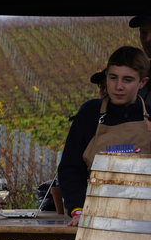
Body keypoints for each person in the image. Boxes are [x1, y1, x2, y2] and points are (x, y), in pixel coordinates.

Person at [58, 45, 150, 226]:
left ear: (142, 83)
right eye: (113, 78)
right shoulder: (88, 117)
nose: (118, 86)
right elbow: (70, 170)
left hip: (145, 220)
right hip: (96, 219)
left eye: (128, 80)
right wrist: (78, 209)